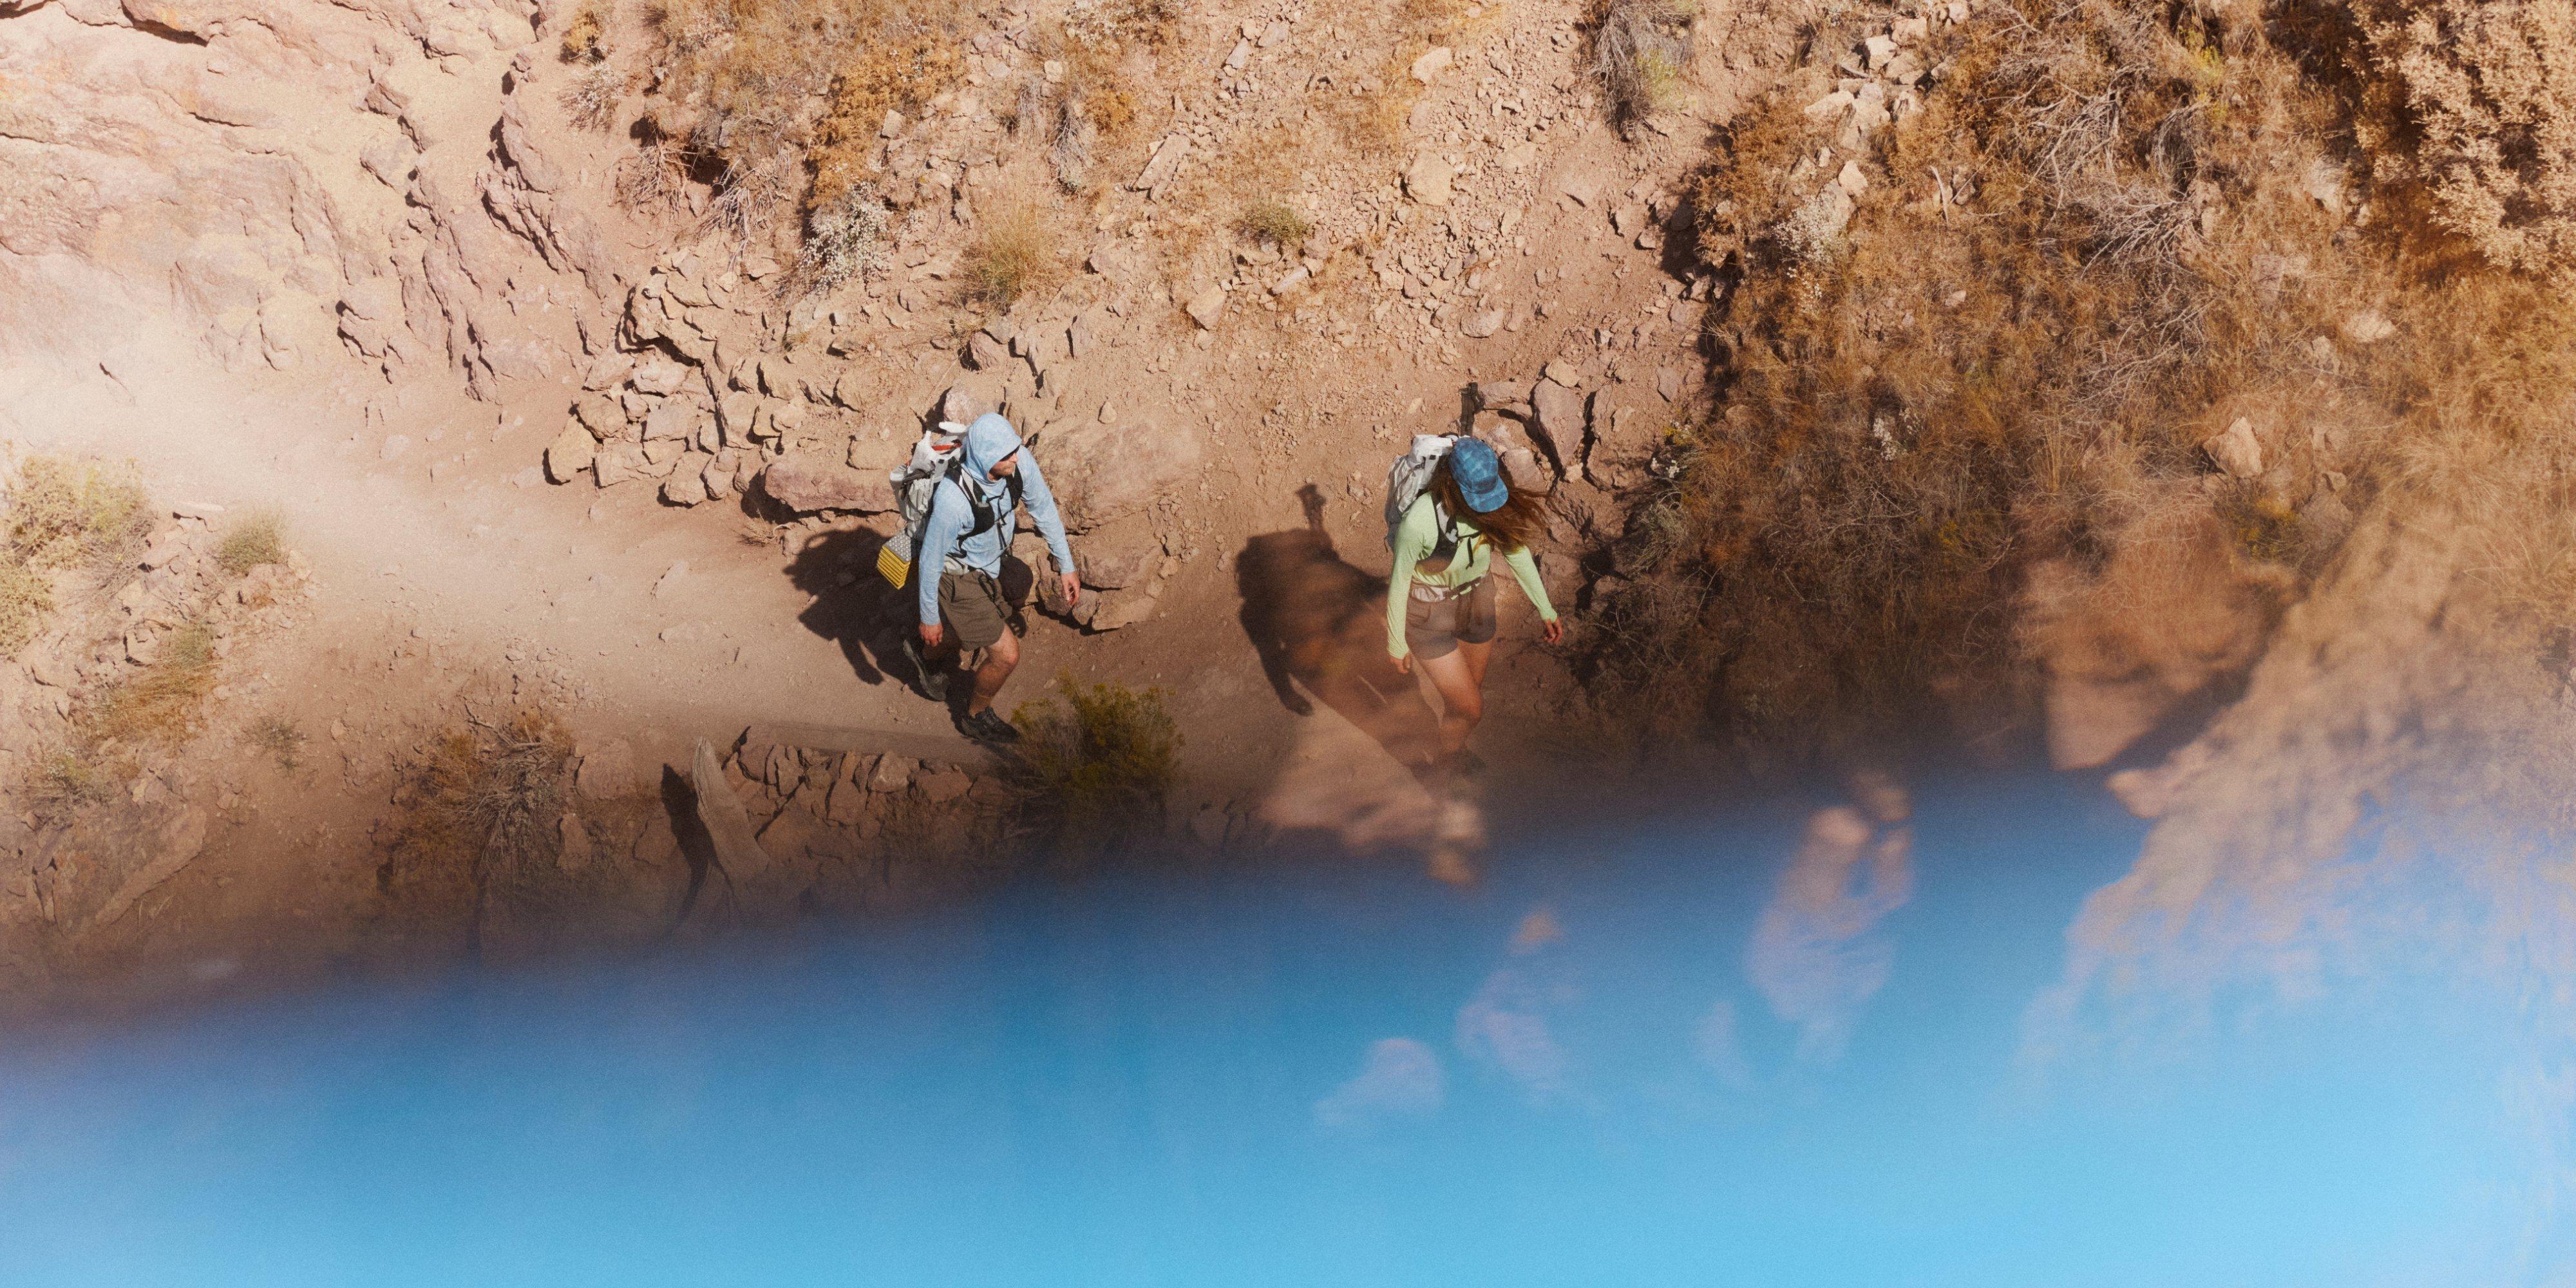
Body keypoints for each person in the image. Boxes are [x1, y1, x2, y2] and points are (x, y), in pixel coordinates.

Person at [1385, 437, 1562, 775]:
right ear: (1452, 486)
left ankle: (1455, 747)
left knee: (1468, 699)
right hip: (1428, 616)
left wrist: (1546, 609)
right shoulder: (1419, 522)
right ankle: (1445, 764)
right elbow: (1399, 582)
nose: (1485, 507)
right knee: (1471, 709)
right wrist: (1395, 641)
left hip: (1479, 601)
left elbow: (1516, 551)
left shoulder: (1494, 501)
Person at [902, 413, 1080, 743]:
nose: (1016, 456)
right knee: (1006, 655)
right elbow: (930, 561)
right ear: (985, 456)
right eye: (1006, 453)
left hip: (992, 561)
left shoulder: (1017, 462)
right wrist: (928, 616)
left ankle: (924, 649)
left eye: (1015, 448)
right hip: (958, 576)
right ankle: (975, 716)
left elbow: (1044, 509)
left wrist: (1067, 566)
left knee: (1017, 583)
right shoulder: (953, 500)